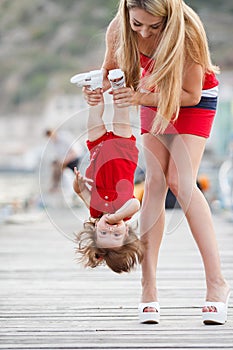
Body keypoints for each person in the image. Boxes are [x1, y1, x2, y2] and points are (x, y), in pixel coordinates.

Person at [84, 0, 230, 325]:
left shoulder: (188, 31)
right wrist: (97, 93)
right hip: (152, 93)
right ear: (127, 14)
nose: (145, 32)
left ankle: (216, 283)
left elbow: (190, 95)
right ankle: (148, 287)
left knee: (181, 181)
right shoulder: (119, 29)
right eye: (137, 25)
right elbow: (109, 77)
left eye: (155, 26)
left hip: (192, 100)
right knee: (154, 182)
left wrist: (138, 97)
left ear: (169, 17)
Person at [73, 71, 143, 274]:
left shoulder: (95, 211)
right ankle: (119, 84)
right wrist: (116, 216)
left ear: (95, 228)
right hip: (123, 152)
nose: (111, 228)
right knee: (121, 115)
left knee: (94, 118)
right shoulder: (125, 212)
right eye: (116, 234)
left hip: (97, 151)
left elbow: (82, 193)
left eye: (104, 232)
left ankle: (95, 86)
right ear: (127, 230)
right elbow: (135, 203)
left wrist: (77, 184)